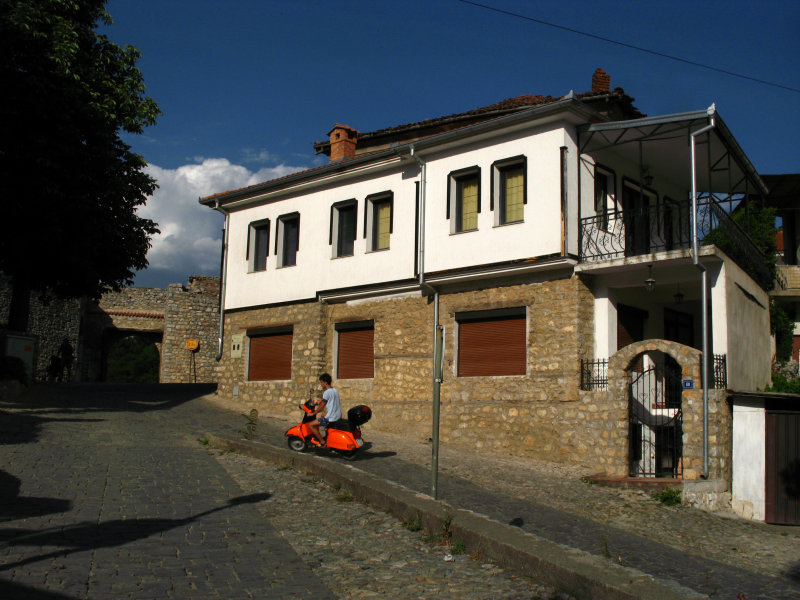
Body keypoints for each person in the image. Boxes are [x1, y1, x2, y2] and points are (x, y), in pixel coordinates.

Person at [308, 373, 341, 446]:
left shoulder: (326, 392)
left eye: (321, 382)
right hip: (337, 415)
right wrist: (321, 400)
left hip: (331, 418)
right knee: (323, 415)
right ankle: (327, 436)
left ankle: (322, 441)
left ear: (325, 383)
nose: (321, 384)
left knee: (311, 425)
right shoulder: (335, 390)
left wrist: (313, 413)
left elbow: (321, 407)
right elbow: (329, 400)